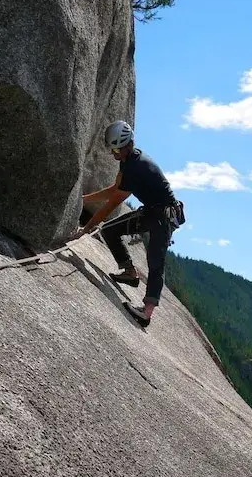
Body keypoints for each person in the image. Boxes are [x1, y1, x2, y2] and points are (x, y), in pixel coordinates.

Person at [73, 120, 184, 328]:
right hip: (151, 211)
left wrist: (85, 230)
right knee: (110, 230)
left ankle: (146, 313)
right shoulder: (128, 160)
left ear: (128, 145)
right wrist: (85, 199)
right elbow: (115, 189)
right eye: (112, 149)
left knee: (155, 261)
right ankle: (130, 273)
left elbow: (112, 204)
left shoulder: (135, 166)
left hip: (163, 216)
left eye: (116, 149)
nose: (113, 153)